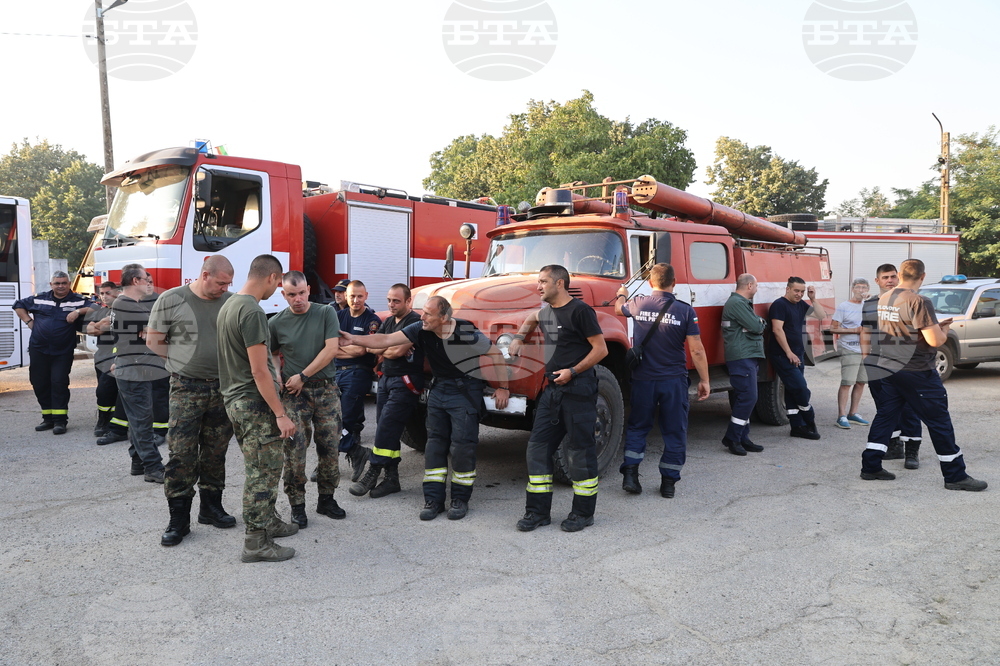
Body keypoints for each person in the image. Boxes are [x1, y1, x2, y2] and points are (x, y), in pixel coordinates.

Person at [348, 295, 509, 521]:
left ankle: (460, 500)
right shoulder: (420, 328)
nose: (422, 317)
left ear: (443, 317)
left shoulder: (465, 332)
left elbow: (495, 354)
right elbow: (386, 340)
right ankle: (433, 500)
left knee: (463, 447)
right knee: (434, 446)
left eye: (428, 314)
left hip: (465, 391)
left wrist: (503, 388)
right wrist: (353, 339)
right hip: (440, 389)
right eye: (422, 312)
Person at [860, 259, 987, 491]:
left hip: (889, 368)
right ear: (923, 276)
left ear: (899, 274)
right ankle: (955, 475)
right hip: (917, 371)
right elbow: (934, 341)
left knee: (886, 416)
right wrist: (944, 329)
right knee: (939, 422)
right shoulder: (920, 301)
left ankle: (870, 466)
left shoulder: (884, 298)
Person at [146, 256, 237, 547]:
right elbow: (154, 340)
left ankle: (211, 509)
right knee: (181, 454)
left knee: (215, 451)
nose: (225, 288)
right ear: (205, 275)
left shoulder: (231, 302)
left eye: (228, 283)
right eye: (221, 282)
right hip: (186, 387)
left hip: (223, 388)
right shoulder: (173, 299)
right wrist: (183, 363)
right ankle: (178, 521)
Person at [509, 265, 607, 533]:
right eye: (538, 282)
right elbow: (532, 318)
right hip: (552, 392)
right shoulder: (546, 311)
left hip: (578, 391)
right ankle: (537, 512)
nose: (538, 286)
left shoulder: (580, 312)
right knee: (538, 448)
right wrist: (519, 338)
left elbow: (601, 349)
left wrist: (573, 371)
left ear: (560, 283)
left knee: (580, 453)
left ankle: (583, 514)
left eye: (543, 282)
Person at [218, 254, 300, 563]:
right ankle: (255, 542)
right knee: (262, 473)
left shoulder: (231, 304)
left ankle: (268, 522)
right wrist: (280, 414)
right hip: (253, 404)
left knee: (261, 467)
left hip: (237, 400)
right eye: (279, 283)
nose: (277, 289)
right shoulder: (251, 311)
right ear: (271, 277)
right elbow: (258, 371)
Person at [614, 263, 710, 497]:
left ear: (650, 283)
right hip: (673, 381)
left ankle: (630, 475)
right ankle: (668, 484)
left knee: (638, 426)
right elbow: (697, 350)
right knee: (675, 430)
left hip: (644, 379)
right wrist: (705, 380)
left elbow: (618, 309)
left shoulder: (639, 303)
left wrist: (622, 294)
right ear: (674, 283)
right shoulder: (685, 311)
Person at [269, 271, 346, 527]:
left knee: (330, 448)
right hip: (294, 394)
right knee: (294, 452)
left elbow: (331, 348)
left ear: (309, 289)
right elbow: (271, 353)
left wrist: (303, 374)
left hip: (325, 389)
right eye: (292, 295)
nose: (298, 299)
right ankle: (297, 505)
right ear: (283, 294)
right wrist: (277, 375)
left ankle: (327, 498)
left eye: (302, 293)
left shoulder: (326, 313)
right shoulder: (277, 322)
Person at [350, 283, 423, 498]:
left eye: (396, 301)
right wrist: (385, 349)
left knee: (387, 425)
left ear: (409, 301)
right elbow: (372, 347)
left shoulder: (416, 322)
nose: (391, 304)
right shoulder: (389, 321)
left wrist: (386, 349)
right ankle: (392, 479)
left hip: (405, 380)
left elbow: (396, 350)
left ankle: (373, 470)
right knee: (385, 425)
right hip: (386, 379)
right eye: (389, 300)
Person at [12, 271, 93, 434]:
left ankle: (60, 421)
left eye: (64, 283)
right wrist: (29, 322)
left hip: (62, 351)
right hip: (39, 349)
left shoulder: (78, 300)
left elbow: (96, 306)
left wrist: (77, 312)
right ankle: (47, 418)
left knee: (59, 383)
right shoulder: (40, 298)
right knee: (39, 383)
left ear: (69, 284)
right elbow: (18, 305)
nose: (61, 286)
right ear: (51, 284)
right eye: (57, 283)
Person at [107, 264, 167, 482]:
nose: (148, 283)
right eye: (145, 279)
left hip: (131, 367)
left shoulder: (124, 303)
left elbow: (145, 335)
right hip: (134, 369)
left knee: (136, 419)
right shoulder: (129, 306)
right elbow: (156, 334)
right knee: (142, 420)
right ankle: (153, 467)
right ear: (135, 281)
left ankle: (138, 462)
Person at [862, 264, 922, 467]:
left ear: (899, 279)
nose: (890, 280)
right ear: (877, 281)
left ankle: (912, 452)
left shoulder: (909, 301)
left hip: (904, 364)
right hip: (877, 363)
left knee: (910, 407)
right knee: (885, 407)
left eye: (893, 277)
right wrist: (865, 357)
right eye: (885, 277)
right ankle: (894, 446)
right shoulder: (869, 304)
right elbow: (865, 331)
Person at [768, 277, 827, 440]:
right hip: (783, 355)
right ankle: (809, 420)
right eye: (796, 291)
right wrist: (788, 352)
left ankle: (797, 427)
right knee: (801, 389)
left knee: (792, 389)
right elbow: (777, 330)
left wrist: (813, 298)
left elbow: (821, 315)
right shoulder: (779, 305)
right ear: (787, 289)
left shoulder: (800, 304)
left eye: (802, 291)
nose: (799, 294)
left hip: (798, 353)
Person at [335, 280, 381, 482]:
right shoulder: (337, 317)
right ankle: (353, 451)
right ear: (346, 296)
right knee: (328, 419)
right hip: (335, 372)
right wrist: (347, 349)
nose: (355, 300)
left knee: (345, 418)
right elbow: (327, 346)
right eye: (352, 296)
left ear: (366, 296)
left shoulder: (372, 321)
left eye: (360, 296)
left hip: (357, 372)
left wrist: (338, 350)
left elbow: (363, 350)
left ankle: (341, 458)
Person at [720, 273, 768, 456]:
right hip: (742, 357)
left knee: (745, 398)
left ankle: (743, 438)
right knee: (748, 398)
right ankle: (732, 438)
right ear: (749, 286)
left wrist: (756, 323)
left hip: (747, 355)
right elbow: (757, 327)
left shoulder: (741, 304)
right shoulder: (738, 304)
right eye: (756, 285)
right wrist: (759, 323)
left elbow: (755, 325)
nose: (757, 289)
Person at [830, 278, 871, 429]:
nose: (861, 290)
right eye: (858, 287)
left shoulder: (869, 306)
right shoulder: (844, 306)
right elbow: (833, 328)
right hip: (849, 348)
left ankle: (853, 413)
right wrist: (853, 330)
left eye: (864, 288)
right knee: (847, 382)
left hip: (865, 349)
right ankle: (841, 415)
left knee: (861, 382)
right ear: (853, 289)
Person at [85, 281, 121, 439]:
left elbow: (107, 327)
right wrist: (101, 325)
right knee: (103, 392)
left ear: (117, 293)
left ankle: (111, 423)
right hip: (102, 356)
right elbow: (90, 330)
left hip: (118, 355)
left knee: (107, 390)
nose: (105, 296)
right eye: (102, 293)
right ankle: (104, 419)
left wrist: (101, 326)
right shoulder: (99, 310)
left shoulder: (123, 309)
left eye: (108, 293)